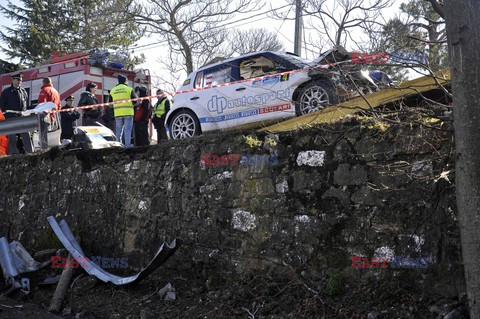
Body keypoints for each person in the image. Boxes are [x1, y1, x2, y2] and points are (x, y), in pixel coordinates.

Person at [0, 73, 33, 154]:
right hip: (10, 116)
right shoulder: (6, 92)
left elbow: (26, 105)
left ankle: (30, 152)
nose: (20, 82)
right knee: (12, 137)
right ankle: (13, 154)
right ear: (13, 80)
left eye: (21, 80)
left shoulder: (23, 91)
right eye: (18, 80)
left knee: (26, 135)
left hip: (21, 116)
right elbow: (2, 105)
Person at [110, 74, 136, 148]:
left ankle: (118, 145)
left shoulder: (113, 90)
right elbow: (135, 100)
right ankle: (127, 145)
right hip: (128, 112)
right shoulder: (129, 89)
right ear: (125, 81)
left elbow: (110, 104)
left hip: (117, 113)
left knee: (118, 130)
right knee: (127, 130)